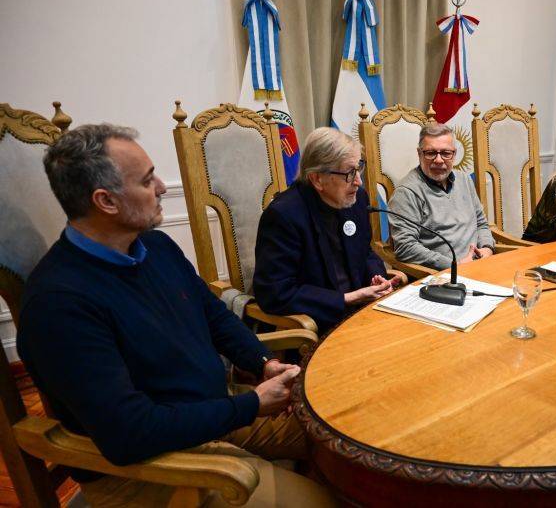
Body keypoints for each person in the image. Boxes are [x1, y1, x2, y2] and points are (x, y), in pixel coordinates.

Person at [16, 124, 334, 507]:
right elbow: (129, 433)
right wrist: (250, 405)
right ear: (106, 201)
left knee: (341, 439)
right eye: (148, 180)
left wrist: (262, 362)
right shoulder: (58, 303)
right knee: (321, 502)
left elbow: (213, 315)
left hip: (210, 413)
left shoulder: (155, 245)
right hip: (150, 464)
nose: (163, 188)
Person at [253, 127, 397, 334]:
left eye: (359, 168)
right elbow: (275, 292)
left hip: (362, 313)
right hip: (318, 323)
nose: (358, 181)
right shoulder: (284, 215)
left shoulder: (356, 200)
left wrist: (377, 277)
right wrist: (347, 298)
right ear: (317, 179)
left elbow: (365, 252)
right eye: (349, 173)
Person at [388, 123, 495, 270]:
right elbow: (405, 248)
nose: (438, 160)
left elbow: (481, 224)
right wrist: (453, 266)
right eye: (431, 153)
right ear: (419, 153)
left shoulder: (464, 180)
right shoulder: (406, 192)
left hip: (480, 266)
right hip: (442, 276)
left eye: (446, 153)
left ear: (454, 154)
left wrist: (487, 248)